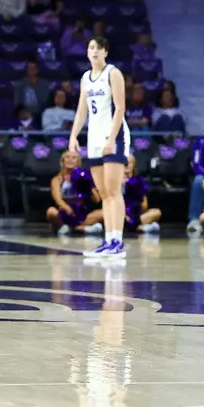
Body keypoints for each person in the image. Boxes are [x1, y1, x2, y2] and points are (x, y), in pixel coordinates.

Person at [67, 36, 131, 258]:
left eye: (98, 48)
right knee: (103, 193)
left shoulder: (113, 73)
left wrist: (111, 139)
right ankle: (108, 240)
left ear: (105, 52)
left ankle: (118, 242)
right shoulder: (85, 77)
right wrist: (73, 136)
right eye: (91, 47)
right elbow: (81, 111)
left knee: (114, 190)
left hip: (113, 133)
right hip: (93, 137)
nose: (94, 51)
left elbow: (121, 107)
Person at [47, 149, 99, 235]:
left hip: (82, 215)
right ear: (62, 161)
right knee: (51, 212)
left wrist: (90, 185)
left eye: (74, 158)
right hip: (65, 213)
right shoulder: (57, 179)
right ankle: (82, 229)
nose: (70, 160)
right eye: (67, 157)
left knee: (103, 213)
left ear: (78, 162)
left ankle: (70, 228)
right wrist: (69, 210)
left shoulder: (84, 178)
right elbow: (58, 200)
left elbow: (96, 200)